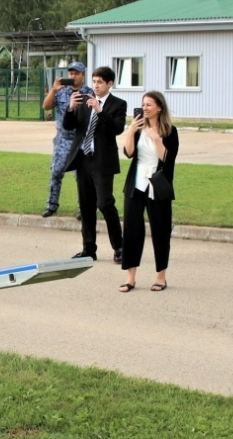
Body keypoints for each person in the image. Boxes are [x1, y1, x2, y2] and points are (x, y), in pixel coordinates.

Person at [64, 66, 127, 263]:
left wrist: (100, 111)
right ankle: (89, 249)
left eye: (100, 82)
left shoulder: (118, 104)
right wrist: (71, 108)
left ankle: (119, 247)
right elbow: (69, 126)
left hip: (102, 162)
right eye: (94, 81)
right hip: (84, 159)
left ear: (110, 84)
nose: (96, 85)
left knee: (104, 203)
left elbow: (117, 129)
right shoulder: (84, 102)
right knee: (86, 206)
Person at [118, 90, 179, 292]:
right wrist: (130, 132)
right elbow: (128, 153)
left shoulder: (170, 131)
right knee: (132, 230)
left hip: (158, 186)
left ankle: (161, 277)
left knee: (160, 230)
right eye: (143, 104)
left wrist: (157, 139)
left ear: (159, 107)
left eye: (149, 105)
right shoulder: (138, 128)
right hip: (137, 183)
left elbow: (167, 160)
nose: (145, 108)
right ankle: (130, 277)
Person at [41, 62, 87, 217]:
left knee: (81, 176)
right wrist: (53, 90)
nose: (73, 76)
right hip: (63, 139)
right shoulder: (60, 92)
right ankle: (52, 205)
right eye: (71, 73)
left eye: (76, 73)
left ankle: (83, 208)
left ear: (83, 75)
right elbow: (46, 107)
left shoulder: (88, 93)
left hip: (80, 140)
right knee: (56, 172)